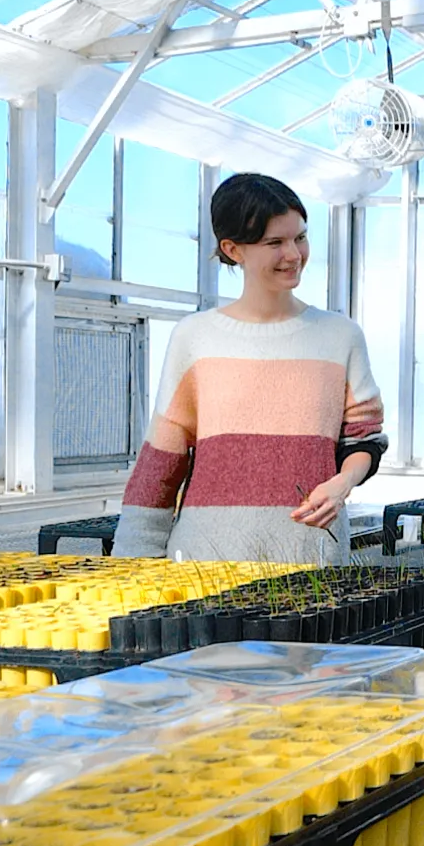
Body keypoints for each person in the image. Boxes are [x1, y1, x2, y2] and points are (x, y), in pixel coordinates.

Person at [113, 173, 387, 562]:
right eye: (275, 242)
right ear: (233, 249)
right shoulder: (195, 338)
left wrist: (342, 484)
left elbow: (364, 439)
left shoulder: (340, 336)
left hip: (311, 563)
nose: (294, 254)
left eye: (301, 237)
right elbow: (162, 463)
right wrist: (133, 565)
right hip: (202, 566)